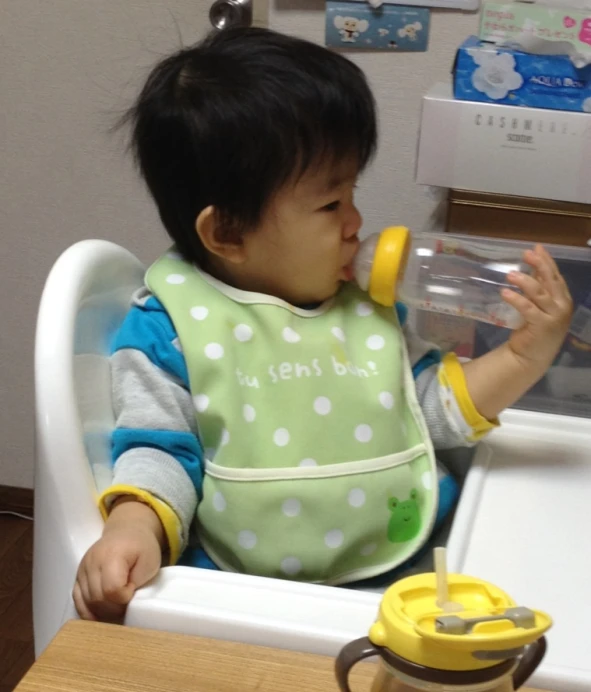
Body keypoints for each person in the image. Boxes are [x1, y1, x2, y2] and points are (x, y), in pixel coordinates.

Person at [73, 27, 573, 621]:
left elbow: (427, 411)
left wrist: (524, 358)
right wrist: (135, 528)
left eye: (353, 193)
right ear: (228, 233)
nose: (356, 221)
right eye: (330, 204)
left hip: (408, 581)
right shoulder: (172, 330)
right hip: (246, 600)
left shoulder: (364, 307)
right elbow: (158, 450)